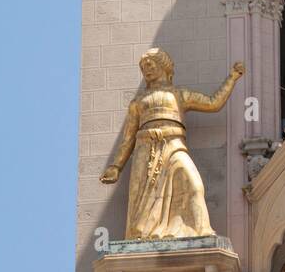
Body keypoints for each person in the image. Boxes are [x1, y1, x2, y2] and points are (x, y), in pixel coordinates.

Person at [100, 48, 244, 240]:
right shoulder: (138, 102)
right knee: (144, 197)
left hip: (174, 145)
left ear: (164, 66)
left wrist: (232, 78)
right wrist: (115, 166)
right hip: (146, 149)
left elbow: (213, 103)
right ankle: (144, 235)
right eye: (143, 67)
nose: (147, 69)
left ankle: (200, 231)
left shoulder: (179, 95)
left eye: (151, 64)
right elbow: (128, 138)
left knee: (193, 184)